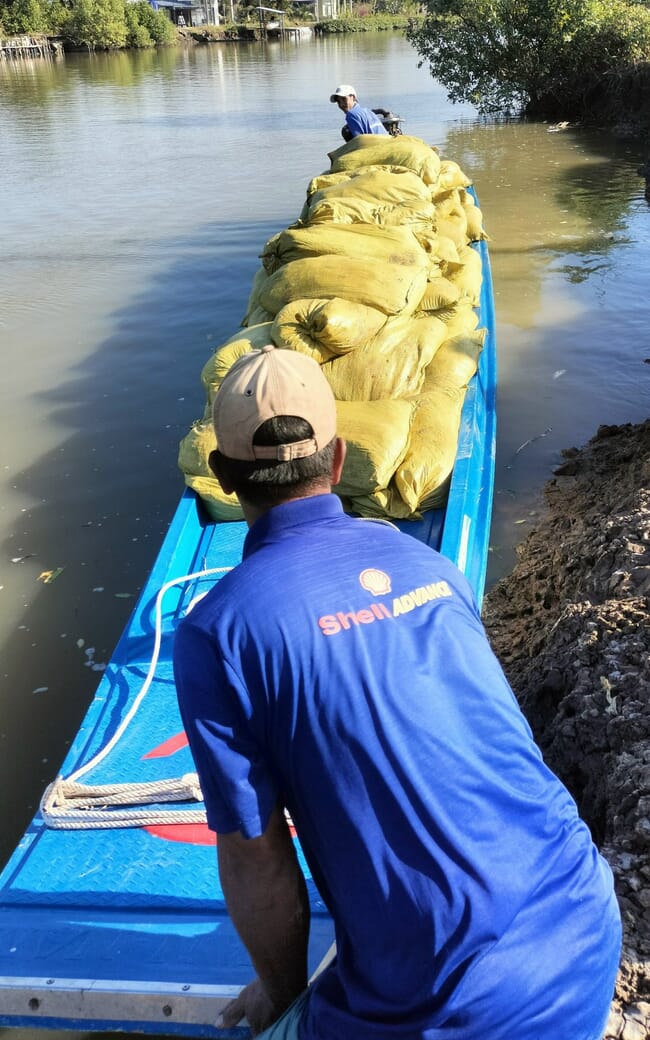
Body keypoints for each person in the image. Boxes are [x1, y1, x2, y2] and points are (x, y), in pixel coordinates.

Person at [173, 345, 621, 1040]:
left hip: (463, 1014)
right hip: (588, 928)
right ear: (342, 459)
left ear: (225, 479)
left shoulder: (220, 632)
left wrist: (287, 997)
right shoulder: (430, 566)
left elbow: (256, 856)